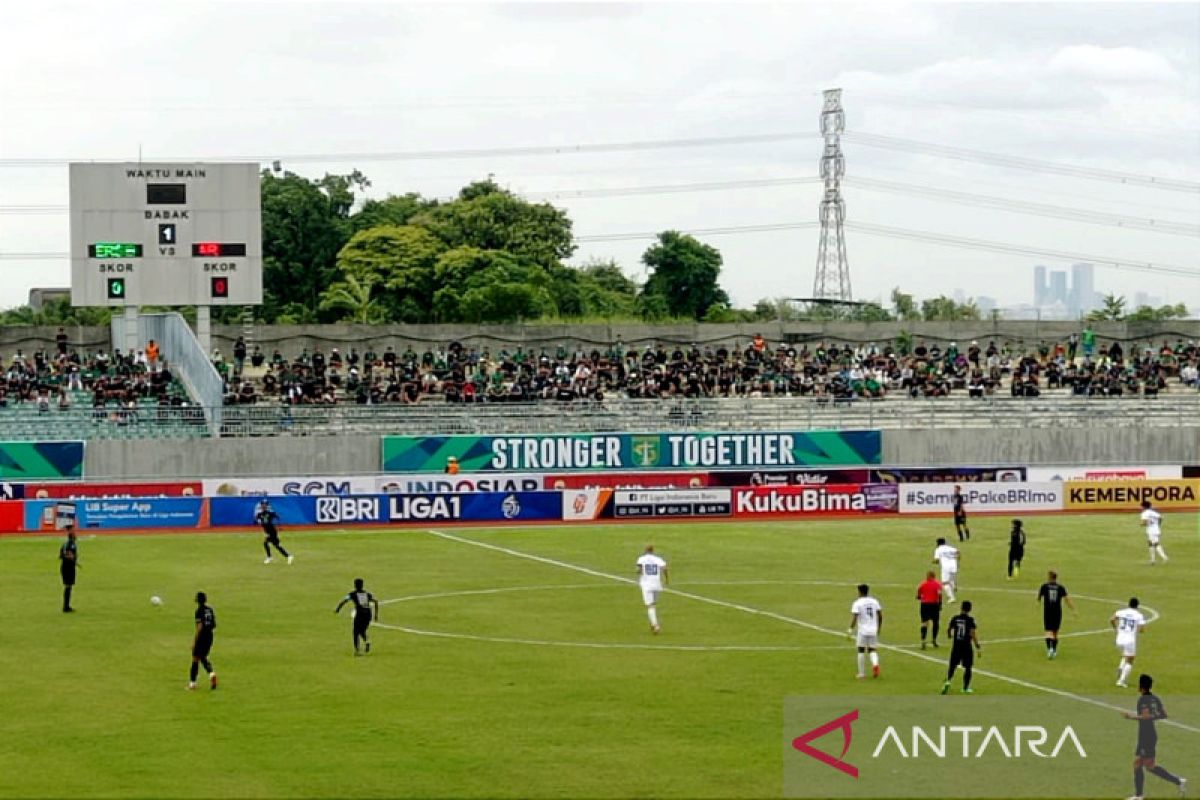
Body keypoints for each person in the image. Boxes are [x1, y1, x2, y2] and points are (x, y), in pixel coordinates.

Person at [1122, 673, 1187, 800]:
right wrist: (1152, 716)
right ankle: (1140, 795)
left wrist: (1131, 716)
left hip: (1146, 735)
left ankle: (1177, 781)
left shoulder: (1143, 700)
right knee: (1142, 764)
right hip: (1151, 734)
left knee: (1145, 765)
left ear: (1141, 686)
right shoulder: (1155, 698)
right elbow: (1164, 715)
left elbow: (1145, 717)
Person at [941, 600, 982, 694]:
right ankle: (965, 687)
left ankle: (948, 681)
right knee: (968, 667)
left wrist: (949, 635)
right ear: (970, 609)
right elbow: (972, 633)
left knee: (952, 665)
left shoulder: (955, 618)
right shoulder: (970, 620)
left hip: (956, 646)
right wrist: (977, 645)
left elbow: (949, 629)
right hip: (966, 646)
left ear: (961, 608)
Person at [1036, 570, 1076, 659]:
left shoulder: (1044, 586)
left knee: (1048, 632)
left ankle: (1049, 649)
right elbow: (1067, 599)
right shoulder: (1060, 587)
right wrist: (1073, 609)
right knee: (1055, 632)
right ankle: (1053, 650)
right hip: (1057, 612)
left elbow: (1039, 597)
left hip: (1048, 612)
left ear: (1049, 577)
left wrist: (1038, 603)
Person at [335, 578, 380, 655]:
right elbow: (375, 601)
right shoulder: (367, 594)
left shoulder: (353, 594)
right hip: (368, 614)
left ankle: (357, 651)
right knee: (361, 630)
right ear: (362, 585)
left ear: (355, 585)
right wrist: (376, 615)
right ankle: (367, 641)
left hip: (360, 614)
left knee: (356, 631)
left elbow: (344, 600)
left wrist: (338, 609)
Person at [848, 583, 883, 679]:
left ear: (859, 592)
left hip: (863, 630)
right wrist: (879, 628)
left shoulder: (857, 603)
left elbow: (855, 617)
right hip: (873, 630)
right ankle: (875, 664)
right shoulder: (874, 601)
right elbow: (880, 615)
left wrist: (850, 629)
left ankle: (862, 674)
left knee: (861, 650)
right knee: (872, 650)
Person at [1112, 598, 1147, 688]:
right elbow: (1142, 629)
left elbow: (1112, 619)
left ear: (1128, 604)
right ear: (1137, 606)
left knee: (1125, 655)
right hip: (1130, 640)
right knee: (1130, 660)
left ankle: (1120, 667)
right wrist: (1136, 631)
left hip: (1119, 638)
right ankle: (1121, 681)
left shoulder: (1121, 612)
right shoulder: (1139, 615)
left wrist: (1116, 629)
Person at [636, 545, 668, 634]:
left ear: (645, 550)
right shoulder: (658, 559)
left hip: (646, 585)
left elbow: (638, 570)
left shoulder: (641, 559)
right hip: (657, 584)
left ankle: (655, 625)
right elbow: (665, 568)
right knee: (653, 604)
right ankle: (652, 624)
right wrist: (666, 579)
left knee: (650, 606)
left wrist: (640, 572)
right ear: (653, 550)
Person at [189, 591, 218, 690]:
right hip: (210, 636)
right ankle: (212, 674)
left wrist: (194, 641)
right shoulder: (210, 610)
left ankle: (193, 684)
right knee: (203, 657)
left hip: (202, 636)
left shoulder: (199, 611)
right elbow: (214, 625)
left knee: (195, 658)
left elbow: (199, 627)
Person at [255, 499, 292, 565]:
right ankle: (288, 556)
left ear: (267, 505)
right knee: (276, 546)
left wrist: (278, 527)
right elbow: (259, 523)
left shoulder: (270, 513)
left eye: (265, 504)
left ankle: (269, 557)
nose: (263, 506)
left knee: (266, 543)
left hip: (272, 531)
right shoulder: (259, 514)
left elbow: (278, 517)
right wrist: (264, 532)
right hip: (268, 532)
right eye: (262, 504)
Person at [915, 570, 943, 650]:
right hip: (934, 605)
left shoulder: (922, 584)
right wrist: (940, 604)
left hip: (925, 605)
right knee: (935, 622)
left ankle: (923, 640)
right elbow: (939, 594)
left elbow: (918, 595)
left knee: (924, 623)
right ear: (934, 576)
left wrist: (921, 597)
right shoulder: (937, 584)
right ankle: (934, 640)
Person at [1139, 500, 1168, 565]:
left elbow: (1145, 522)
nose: (1141, 508)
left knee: (1155, 544)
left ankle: (1164, 557)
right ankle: (1152, 560)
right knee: (1150, 544)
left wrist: (1142, 524)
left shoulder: (1144, 513)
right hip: (1156, 529)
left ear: (1144, 507)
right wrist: (1158, 524)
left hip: (1151, 530)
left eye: (1141, 506)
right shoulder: (1153, 512)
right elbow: (1161, 518)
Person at [932, 537, 960, 604]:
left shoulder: (938, 550)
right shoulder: (950, 548)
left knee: (945, 583)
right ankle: (953, 585)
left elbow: (936, 560)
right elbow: (958, 552)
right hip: (954, 566)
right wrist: (958, 558)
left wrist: (934, 562)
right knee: (951, 578)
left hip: (945, 567)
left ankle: (951, 598)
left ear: (938, 543)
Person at [58, 524, 78, 613]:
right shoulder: (70, 543)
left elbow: (61, 555)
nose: (75, 532)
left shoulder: (66, 543)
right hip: (68, 567)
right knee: (68, 586)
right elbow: (68, 555)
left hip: (67, 566)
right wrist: (72, 558)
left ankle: (66, 606)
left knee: (68, 586)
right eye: (73, 530)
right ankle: (66, 607)